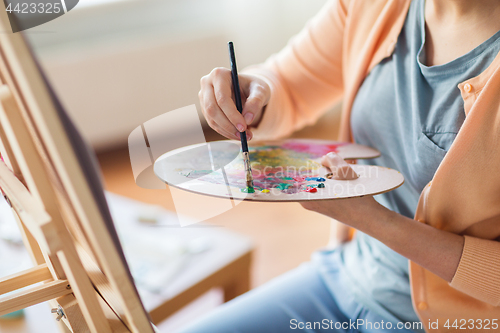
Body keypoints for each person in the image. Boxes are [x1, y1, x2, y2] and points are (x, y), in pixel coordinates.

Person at [185, 0, 500, 332]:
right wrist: (255, 92)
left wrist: (373, 221)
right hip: (348, 276)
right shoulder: (374, 6)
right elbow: (289, 84)